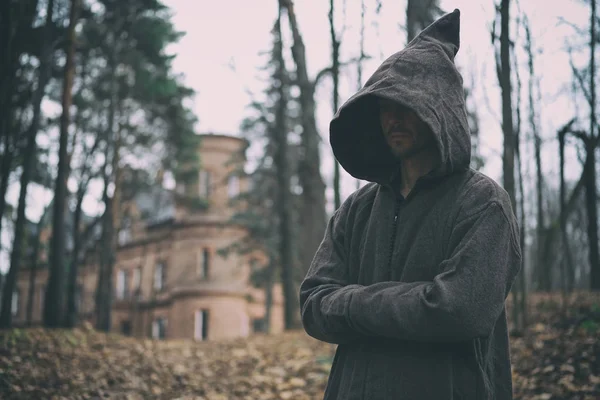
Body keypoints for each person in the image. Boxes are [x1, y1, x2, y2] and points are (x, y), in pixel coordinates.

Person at [299, 9, 521, 400]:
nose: (394, 119)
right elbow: (314, 305)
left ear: (439, 112)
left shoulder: (482, 203)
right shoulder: (356, 211)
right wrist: (409, 303)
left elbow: (458, 310)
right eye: (386, 107)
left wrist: (351, 301)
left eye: (409, 106)